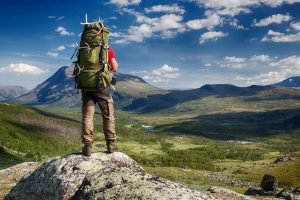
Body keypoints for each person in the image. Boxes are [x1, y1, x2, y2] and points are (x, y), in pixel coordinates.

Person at [81, 47, 118, 156]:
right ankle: (110, 144)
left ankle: (87, 146)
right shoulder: (107, 49)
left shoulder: (83, 49)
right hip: (102, 87)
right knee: (108, 115)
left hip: (86, 87)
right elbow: (114, 68)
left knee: (87, 117)